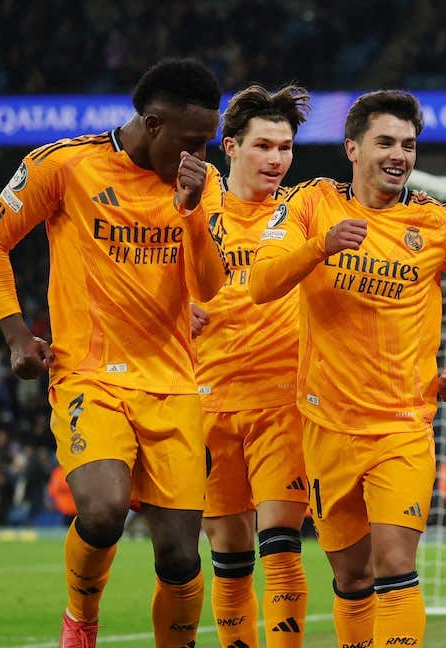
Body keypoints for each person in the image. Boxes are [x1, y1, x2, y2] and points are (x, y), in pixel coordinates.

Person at [0, 58, 227, 647]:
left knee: (180, 558)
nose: (200, 157)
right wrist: (16, 335)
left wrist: (190, 213)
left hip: (173, 384)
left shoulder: (199, 184)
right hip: (90, 375)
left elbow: (211, 287)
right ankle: (81, 622)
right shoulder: (65, 165)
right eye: (191, 142)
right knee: (104, 511)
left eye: (207, 145)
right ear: (153, 123)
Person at [249, 89, 446, 648]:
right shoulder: (311, 204)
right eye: (386, 142)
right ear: (352, 147)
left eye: (409, 145)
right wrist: (320, 247)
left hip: (401, 428)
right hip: (324, 427)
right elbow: (261, 284)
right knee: (351, 577)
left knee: (395, 563)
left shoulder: (439, 226)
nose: (400, 154)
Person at [191, 84, 312, 647]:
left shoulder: (303, 211)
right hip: (206, 399)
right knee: (228, 551)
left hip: (281, 401)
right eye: (264, 146)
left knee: (281, 540)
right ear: (230, 147)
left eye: (285, 147)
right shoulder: (196, 206)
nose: (276, 159)